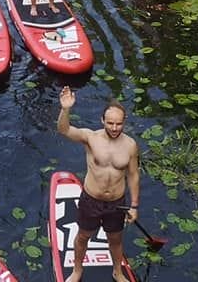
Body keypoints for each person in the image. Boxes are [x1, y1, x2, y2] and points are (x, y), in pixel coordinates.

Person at [57, 86, 140, 282]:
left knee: (116, 239)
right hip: (91, 200)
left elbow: (133, 175)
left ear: (124, 123)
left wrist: (134, 206)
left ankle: (117, 272)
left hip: (117, 203)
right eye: (110, 123)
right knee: (83, 236)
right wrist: (66, 109)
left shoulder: (130, 145)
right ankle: (77, 271)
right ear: (102, 120)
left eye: (118, 124)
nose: (114, 128)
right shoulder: (90, 137)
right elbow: (64, 129)